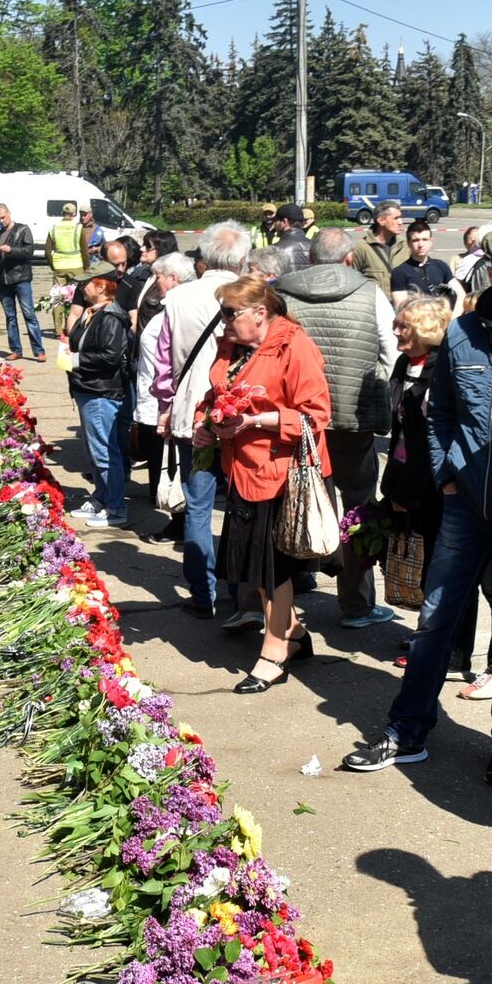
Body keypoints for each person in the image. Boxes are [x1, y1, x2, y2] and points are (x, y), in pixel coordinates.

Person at [340, 229, 492, 782]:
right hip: (463, 505)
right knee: (435, 619)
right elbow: (440, 415)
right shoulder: (461, 334)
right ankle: (406, 731)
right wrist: (447, 474)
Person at [191, 275, 333, 693]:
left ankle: (274, 652)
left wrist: (252, 421)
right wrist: (207, 424)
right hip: (242, 469)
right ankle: (295, 633)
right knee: (253, 567)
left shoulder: (294, 346)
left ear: (261, 312)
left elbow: (315, 415)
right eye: (222, 313)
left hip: (283, 472)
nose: (224, 322)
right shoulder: (231, 346)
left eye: (231, 313)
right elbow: (216, 395)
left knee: (275, 570)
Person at [381, 292, 492, 695]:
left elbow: (443, 431)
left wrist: (438, 481)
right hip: (416, 481)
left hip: (447, 486)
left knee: (472, 579)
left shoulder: (441, 369)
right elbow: (402, 433)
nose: (396, 331)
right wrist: (395, 484)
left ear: (426, 330)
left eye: (404, 326)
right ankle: (442, 644)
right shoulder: (405, 364)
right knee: (437, 573)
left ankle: (476, 659)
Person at [281, 226, 401, 630]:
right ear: (350, 258)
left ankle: (297, 580)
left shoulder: (283, 292)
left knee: (300, 500)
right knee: (358, 508)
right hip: (355, 416)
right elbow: (391, 349)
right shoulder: (371, 294)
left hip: (299, 418)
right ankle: (356, 604)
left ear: (310, 259)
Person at [157, 220, 253, 616]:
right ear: (242, 258)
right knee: (242, 503)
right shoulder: (250, 297)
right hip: (238, 413)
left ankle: (203, 593)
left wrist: (164, 406)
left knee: (197, 504)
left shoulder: (177, 297)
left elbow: (163, 363)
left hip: (190, 414)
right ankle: (240, 591)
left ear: (203, 258)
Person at [67, 275, 136, 529]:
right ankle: (101, 498)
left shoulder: (110, 318)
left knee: (106, 452)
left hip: (101, 391)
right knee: (95, 451)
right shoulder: (93, 313)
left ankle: (116, 507)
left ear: (101, 288)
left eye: (86, 285)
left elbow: (109, 356)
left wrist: (76, 360)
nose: (81, 289)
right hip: (88, 388)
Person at [134, 252, 195, 514]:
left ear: (173, 278)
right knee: (162, 459)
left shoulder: (181, 311)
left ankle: (176, 514)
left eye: (157, 277)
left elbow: (173, 361)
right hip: (155, 398)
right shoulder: (168, 308)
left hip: (167, 401)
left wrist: (166, 404)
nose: (154, 282)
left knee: (173, 463)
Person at [0, 203, 45, 364]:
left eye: (4, 217)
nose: (2, 221)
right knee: (10, 317)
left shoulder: (22, 229)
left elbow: (29, 251)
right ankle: (16, 350)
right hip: (3, 280)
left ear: (9, 213)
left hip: (21, 278)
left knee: (29, 314)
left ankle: (39, 351)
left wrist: (10, 250)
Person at [390, 220, 454, 298]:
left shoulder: (441, 266)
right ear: (408, 243)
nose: (420, 245)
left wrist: (454, 310)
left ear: (431, 241)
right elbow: (401, 306)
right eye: (416, 240)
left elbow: (461, 294)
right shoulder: (399, 273)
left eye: (425, 239)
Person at [354, 201, 409, 287]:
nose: (400, 222)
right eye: (396, 218)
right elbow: (351, 280)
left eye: (400, 217)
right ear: (381, 220)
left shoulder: (406, 246)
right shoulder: (361, 248)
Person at [49, 201, 88, 287]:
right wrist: (86, 266)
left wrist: (53, 265)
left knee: (58, 296)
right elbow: (85, 252)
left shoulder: (53, 227)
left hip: (59, 267)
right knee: (76, 295)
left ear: (62, 213)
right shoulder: (78, 227)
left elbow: (47, 252)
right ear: (74, 214)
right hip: (76, 267)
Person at [271, 203, 313, 270]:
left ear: (285, 222)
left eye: (276, 220)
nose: (274, 225)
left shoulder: (274, 250)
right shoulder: (315, 247)